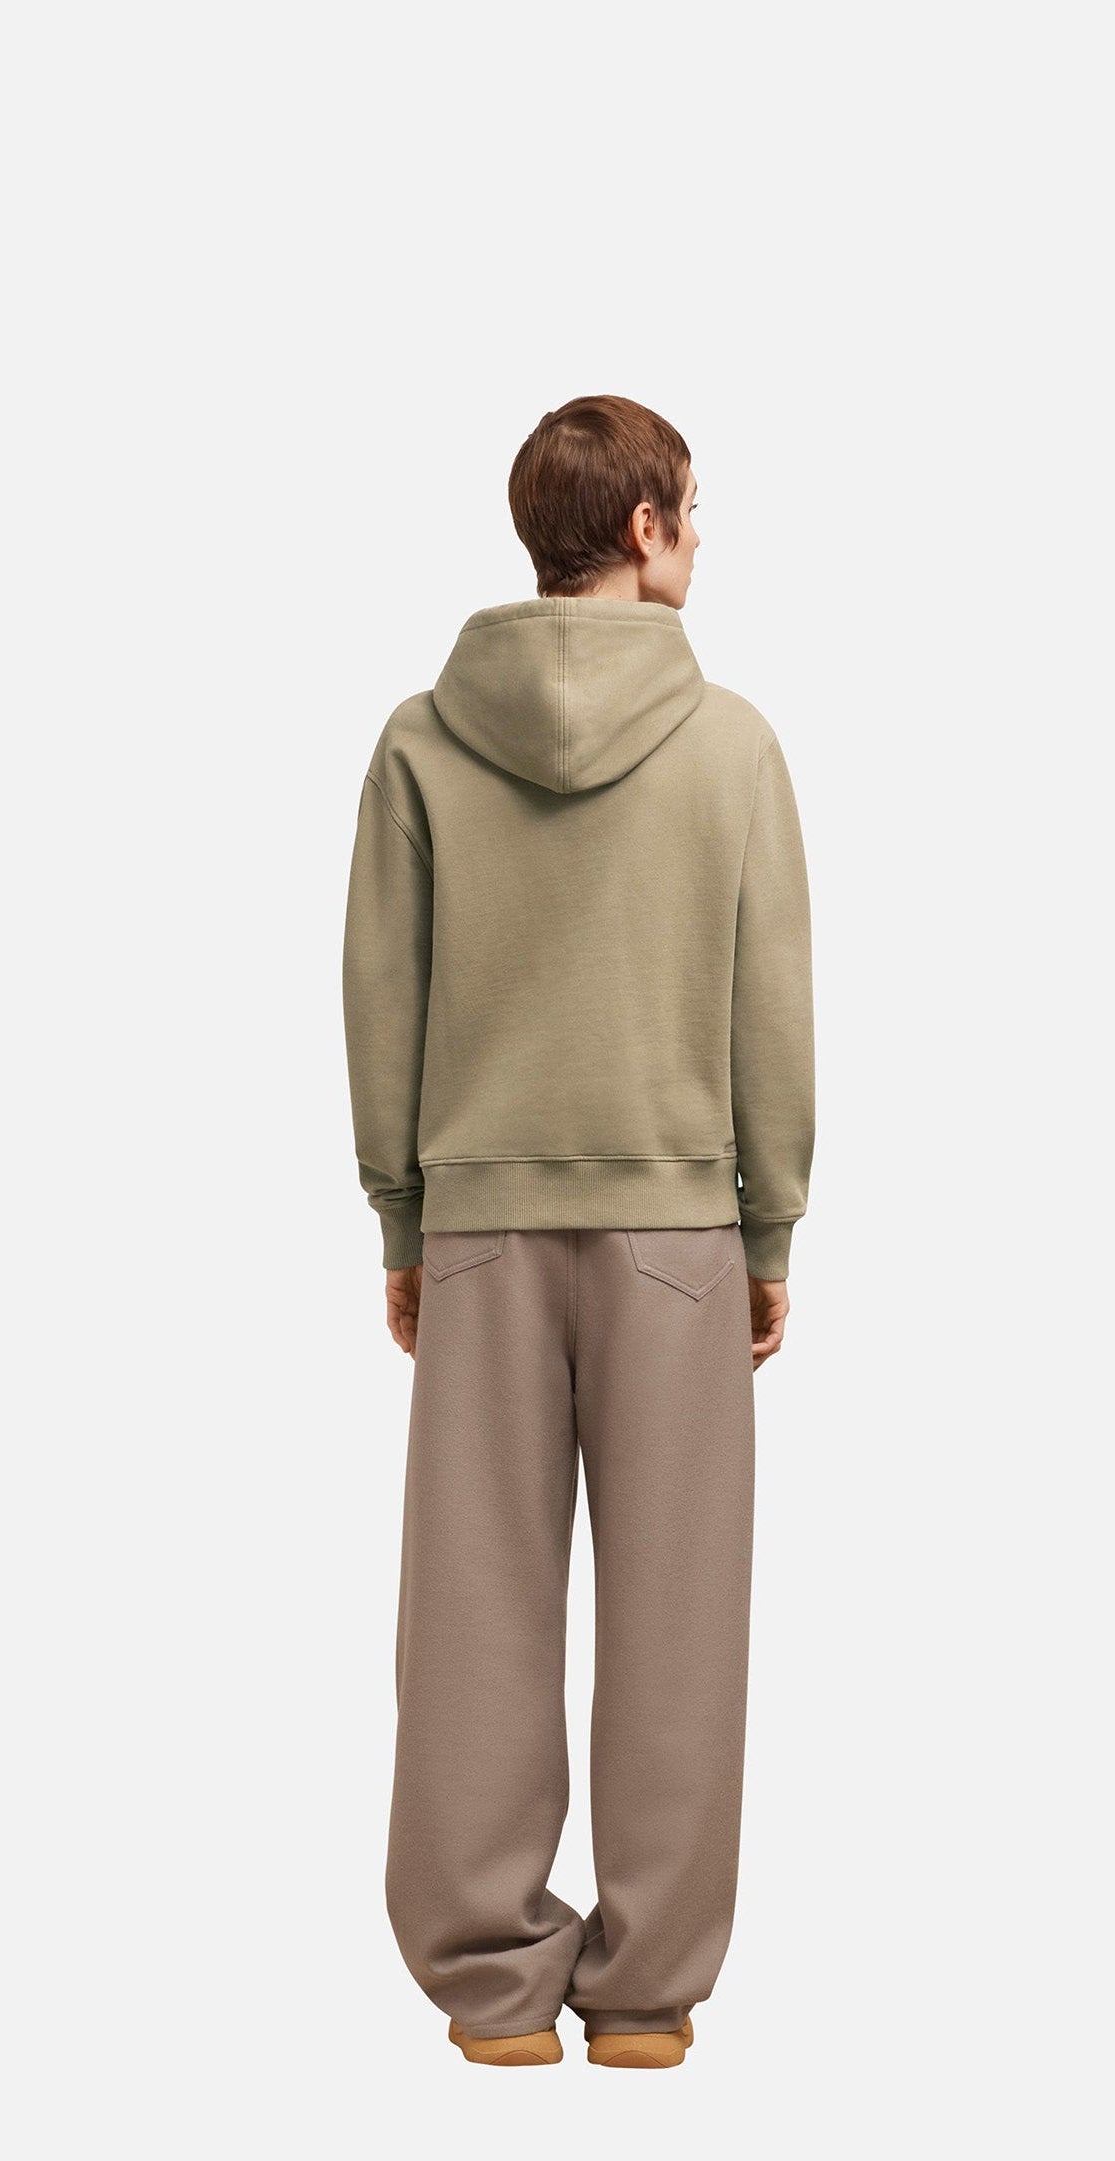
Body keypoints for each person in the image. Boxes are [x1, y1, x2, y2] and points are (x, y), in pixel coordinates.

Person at [341, 394, 815, 2068]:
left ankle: (490, 1992)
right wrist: (768, 1230)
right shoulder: (732, 746)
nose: (698, 534)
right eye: (689, 505)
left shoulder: (421, 740)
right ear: (640, 527)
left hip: (479, 1222)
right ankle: (644, 1996)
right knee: (679, 1614)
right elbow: (770, 1012)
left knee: (472, 1608)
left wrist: (404, 1215)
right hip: (678, 1228)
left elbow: (381, 994)